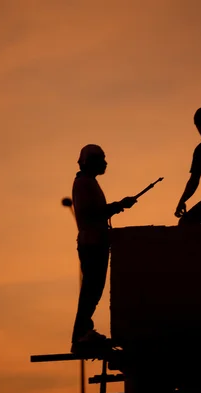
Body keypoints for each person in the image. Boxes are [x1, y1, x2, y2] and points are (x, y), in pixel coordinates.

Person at [70, 144, 137, 353]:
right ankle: (80, 336)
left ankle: (84, 332)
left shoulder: (89, 183)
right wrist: (118, 206)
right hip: (92, 244)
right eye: (101, 159)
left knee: (93, 291)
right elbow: (90, 212)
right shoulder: (83, 183)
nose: (105, 163)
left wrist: (117, 206)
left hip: (96, 243)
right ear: (90, 162)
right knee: (91, 291)